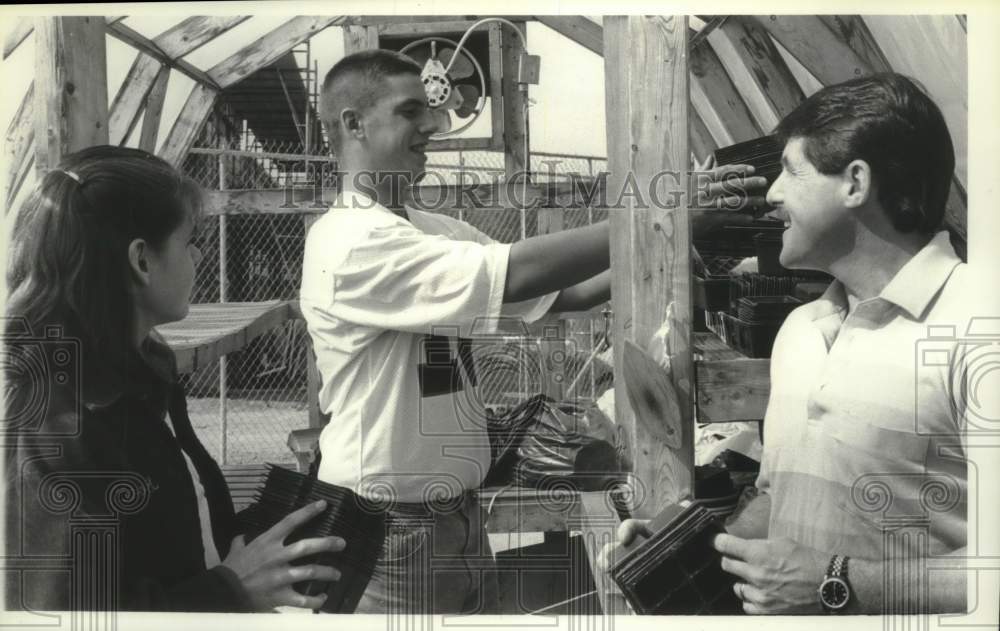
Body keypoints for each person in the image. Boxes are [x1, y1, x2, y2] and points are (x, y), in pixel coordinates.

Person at [301, 49, 767, 615]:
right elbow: (519, 270)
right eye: (410, 111)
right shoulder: (349, 242)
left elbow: (562, 294)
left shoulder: (430, 230)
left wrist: (678, 238)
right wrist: (657, 213)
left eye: (429, 109)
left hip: (460, 519)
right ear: (353, 123)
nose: (433, 125)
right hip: (389, 532)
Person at [605, 73, 971, 615]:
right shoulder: (800, 331)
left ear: (855, 183)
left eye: (790, 171)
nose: (772, 193)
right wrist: (697, 551)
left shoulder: (973, 322)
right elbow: (778, 498)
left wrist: (840, 584)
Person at [3, 146, 345, 612]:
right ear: (141, 260)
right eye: (189, 240)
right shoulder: (57, 422)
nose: (201, 255)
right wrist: (230, 590)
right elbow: (59, 615)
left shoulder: (131, 382)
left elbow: (168, 542)